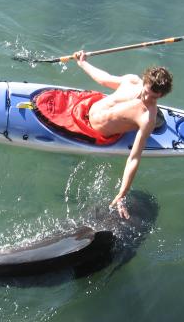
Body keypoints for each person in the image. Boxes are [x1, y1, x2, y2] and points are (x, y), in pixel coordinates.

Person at [73, 50, 173, 219]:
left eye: (153, 96)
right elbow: (104, 79)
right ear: (145, 80)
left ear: (161, 95)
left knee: (145, 120)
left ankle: (151, 122)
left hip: (97, 130)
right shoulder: (132, 80)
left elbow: (134, 157)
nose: (146, 97)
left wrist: (123, 192)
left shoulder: (147, 116)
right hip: (86, 107)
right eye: (146, 90)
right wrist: (83, 63)